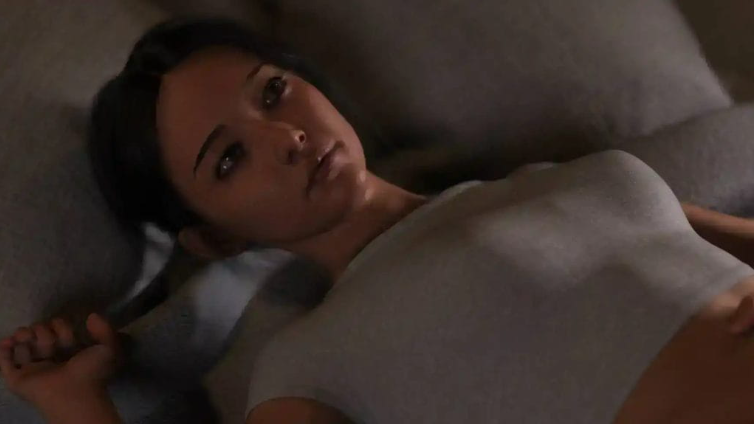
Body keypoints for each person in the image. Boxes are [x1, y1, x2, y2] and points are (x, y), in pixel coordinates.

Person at [2, 18, 753, 424]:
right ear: (217, 237)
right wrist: (75, 402)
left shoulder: (570, 177)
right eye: (229, 159)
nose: (286, 137)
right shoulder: (313, 363)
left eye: (272, 93)